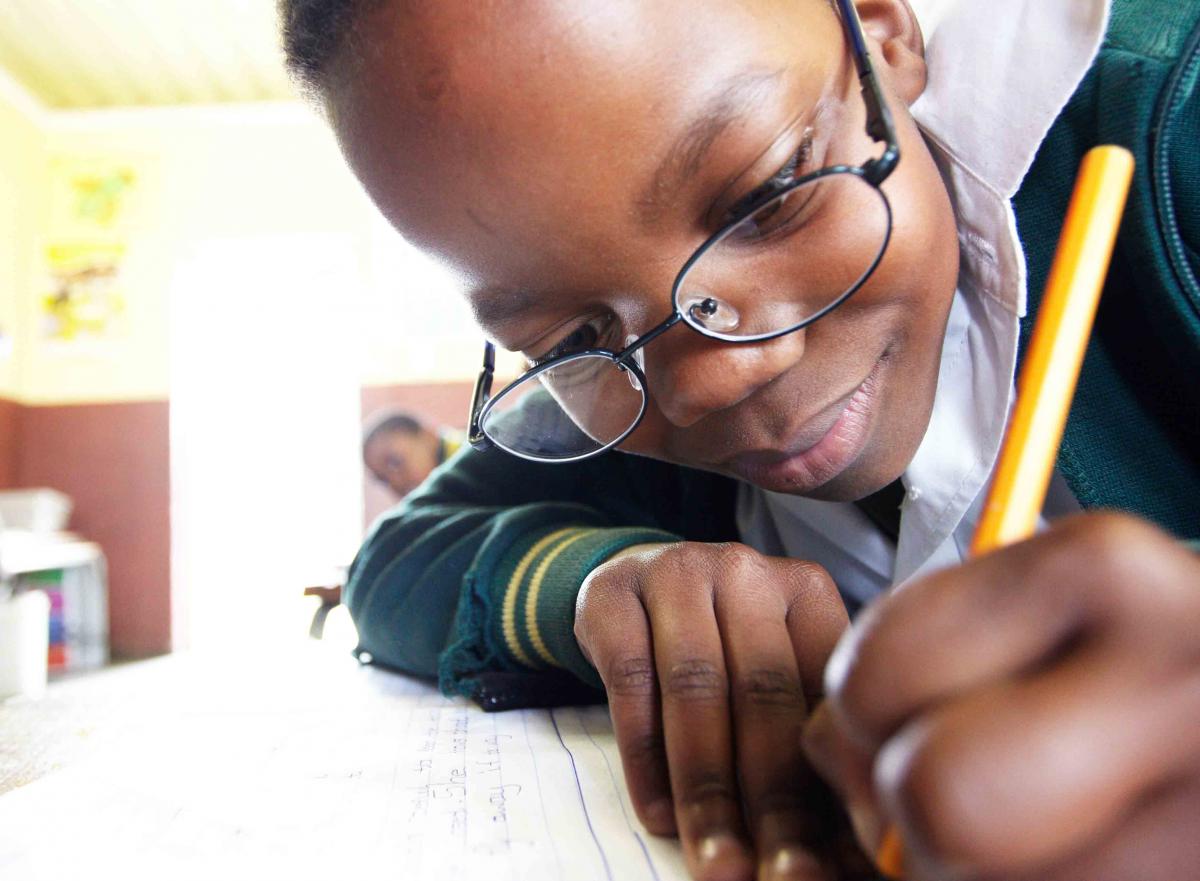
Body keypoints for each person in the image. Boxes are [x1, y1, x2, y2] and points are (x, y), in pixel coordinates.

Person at [280, 2, 1200, 879]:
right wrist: (606, 585)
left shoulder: (1171, 127)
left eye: (768, 194)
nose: (711, 379)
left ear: (880, 30)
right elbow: (395, 559)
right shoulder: (613, 403)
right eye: (570, 342)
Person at [361, 409, 462, 499]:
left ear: (428, 435)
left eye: (394, 462)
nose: (396, 483)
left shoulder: (472, 453)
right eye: (384, 480)